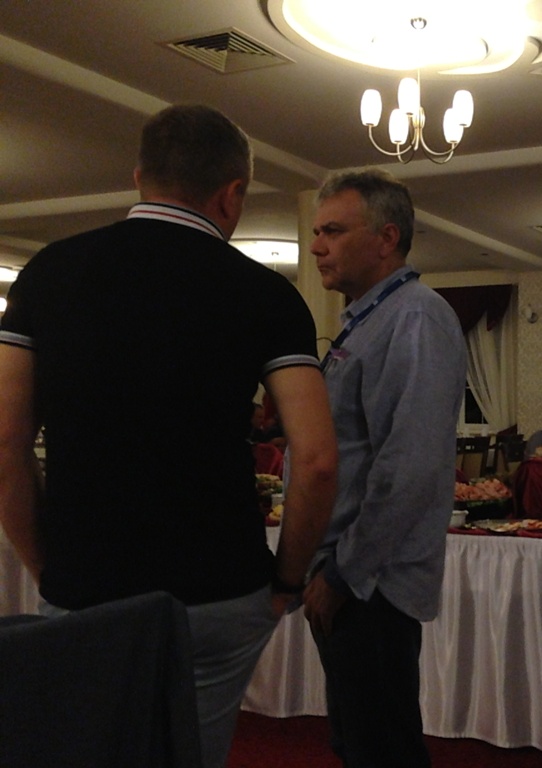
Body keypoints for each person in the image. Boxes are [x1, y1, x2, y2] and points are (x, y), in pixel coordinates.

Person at [0, 104, 338, 768]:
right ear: (232, 194)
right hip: (218, 585)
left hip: (85, 580)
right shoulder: (264, 293)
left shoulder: (48, 272)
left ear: (139, 176)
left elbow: (5, 441)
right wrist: (287, 581)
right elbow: (319, 459)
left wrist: (47, 567)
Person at [301, 167, 467, 768]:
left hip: (371, 583)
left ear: (386, 238)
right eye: (317, 231)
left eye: (333, 231)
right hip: (353, 574)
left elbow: (409, 467)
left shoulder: (415, 316)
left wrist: (343, 575)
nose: (316, 246)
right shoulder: (371, 318)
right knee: (358, 743)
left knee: (381, 750)